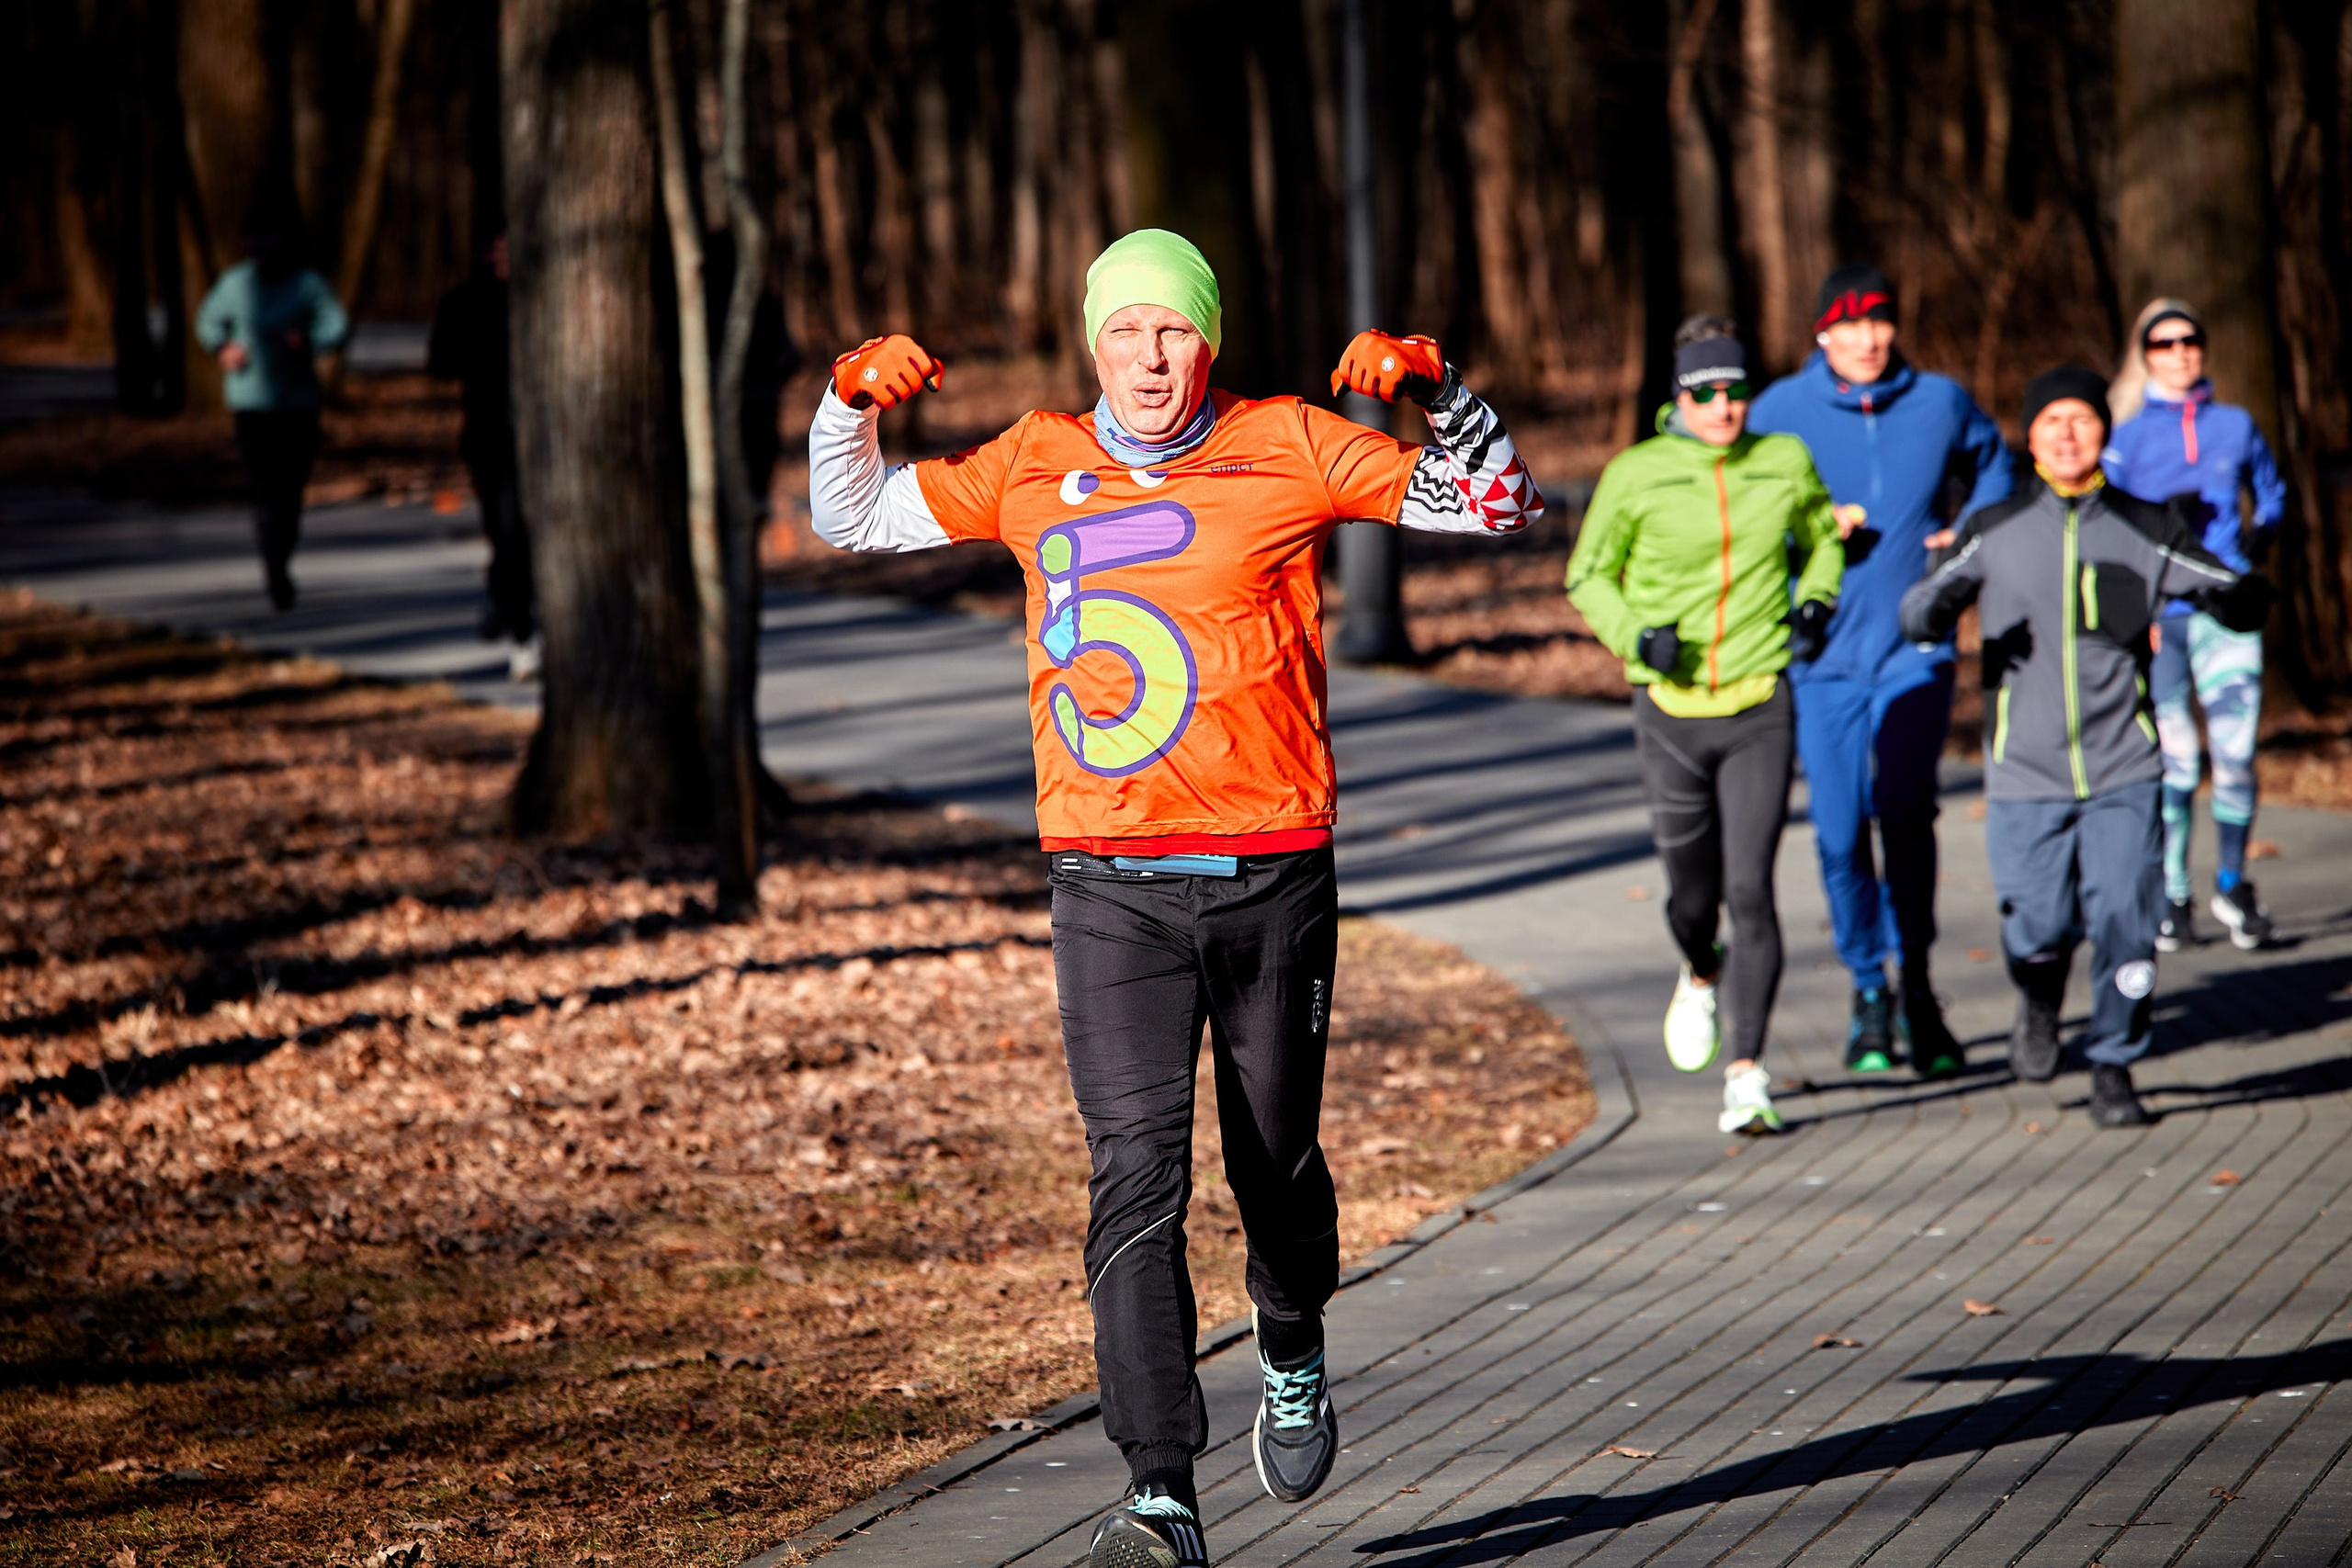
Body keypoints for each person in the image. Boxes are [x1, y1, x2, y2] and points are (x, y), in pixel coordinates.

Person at [807, 229, 1542, 1568]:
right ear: (1094, 341)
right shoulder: (1034, 460)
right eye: (1127, 330)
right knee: (1133, 1179)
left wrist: (1444, 392)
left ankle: (1294, 1327)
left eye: (1176, 330)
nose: (1152, 356)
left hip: (1273, 875)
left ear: (1209, 339)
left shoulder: (1289, 442)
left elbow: (1498, 505)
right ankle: (1160, 1494)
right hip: (1109, 885)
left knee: (1277, 1171)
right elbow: (848, 516)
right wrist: (847, 405)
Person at [1898, 368, 2267, 1126]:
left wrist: (2239, 596)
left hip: (2123, 765)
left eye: (2082, 420)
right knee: (2037, 927)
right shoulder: (1994, 526)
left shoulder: (2143, 523)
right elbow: (1920, 611)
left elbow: (2218, 582)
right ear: (2029, 436)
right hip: (2024, 771)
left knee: (2127, 922)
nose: (2067, 434)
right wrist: (1934, 605)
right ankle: (2038, 994)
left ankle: (2113, 1064)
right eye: (2051, 421)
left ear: (2104, 432)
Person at [1566, 317, 1843, 1137]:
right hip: (1673, 710)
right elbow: (1588, 574)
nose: (1723, 407)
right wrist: (1636, 637)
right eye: (1705, 392)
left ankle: (1748, 1073)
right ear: (1678, 397)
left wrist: (1819, 597)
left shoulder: (1783, 461)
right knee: (1696, 897)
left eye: (1735, 391)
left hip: (1760, 700)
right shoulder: (1637, 474)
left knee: (1752, 888)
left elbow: (1822, 540)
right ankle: (1698, 967)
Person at [1747, 264, 2011, 1079]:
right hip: (1820, 655)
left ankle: (1920, 988)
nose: (1867, 338)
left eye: (1880, 322)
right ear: (1820, 334)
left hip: (1914, 648)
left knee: (1904, 813)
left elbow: (1998, 465)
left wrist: (1963, 534)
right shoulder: (1777, 413)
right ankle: (1868, 987)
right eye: (1849, 325)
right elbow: (1740, 499)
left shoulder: (1939, 400)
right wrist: (1807, 527)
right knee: (1836, 832)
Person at [2101, 299, 2287, 953]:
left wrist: (2259, 537)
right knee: (2177, 765)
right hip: (2162, 620)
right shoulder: (2125, 437)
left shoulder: (2235, 424)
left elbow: (2273, 490)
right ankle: (2172, 892)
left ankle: (2233, 883)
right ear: (2145, 354)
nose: (2180, 352)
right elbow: (2108, 525)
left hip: (2225, 611)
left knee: (2234, 755)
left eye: (2191, 340)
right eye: (2164, 343)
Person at [196, 222, 350, 611]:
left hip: (298, 404)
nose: (264, 256)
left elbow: (336, 324)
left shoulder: (306, 285)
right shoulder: (236, 284)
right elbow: (207, 321)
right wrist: (223, 346)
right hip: (251, 403)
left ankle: (280, 556)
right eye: (256, 248)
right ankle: (274, 566)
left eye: (271, 248)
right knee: (265, 489)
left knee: (291, 489)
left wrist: (309, 339)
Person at [428, 234, 535, 663]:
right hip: (488, 434)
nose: (502, 258)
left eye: (512, 247)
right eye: (495, 247)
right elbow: (439, 363)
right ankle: (509, 606)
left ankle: (518, 620)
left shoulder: (545, 298)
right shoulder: (464, 301)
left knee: (521, 530)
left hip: (542, 437)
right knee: (504, 527)